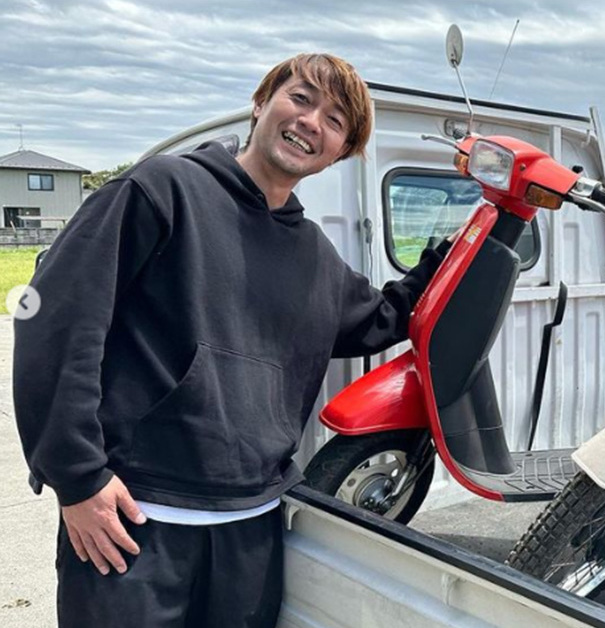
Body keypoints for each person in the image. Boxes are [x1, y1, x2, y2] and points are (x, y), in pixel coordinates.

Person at [13, 53, 447, 627]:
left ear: (340, 152)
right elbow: (54, 320)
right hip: (133, 521)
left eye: (335, 120)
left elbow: (379, 319)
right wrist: (77, 478)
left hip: (251, 528)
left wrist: (459, 254)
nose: (312, 122)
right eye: (301, 98)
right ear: (261, 103)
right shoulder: (161, 190)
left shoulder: (312, 254)